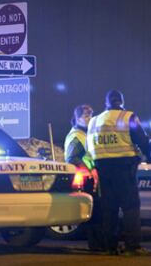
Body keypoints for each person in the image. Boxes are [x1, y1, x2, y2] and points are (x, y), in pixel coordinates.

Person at [86, 90, 151, 256]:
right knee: (130, 207)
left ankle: (110, 247)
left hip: (103, 169)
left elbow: (89, 147)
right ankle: (132, 246)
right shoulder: (128, 117)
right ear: (121, 101)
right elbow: (143, 141)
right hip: (125, 168)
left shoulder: (94, 121)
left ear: (106, 102)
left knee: (109, 208)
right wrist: (147, 155)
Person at [64, 104, 102, 251]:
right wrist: (90, 169)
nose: (90, 118)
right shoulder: (76, 136)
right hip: (86, 179)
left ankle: (99, 244)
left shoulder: (85, 134)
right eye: (86, 116)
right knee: (93, 214)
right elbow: (72, 158)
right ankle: (96, 245)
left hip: (92, 178)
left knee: (97, 212)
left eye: (91, 115)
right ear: (77, 118)